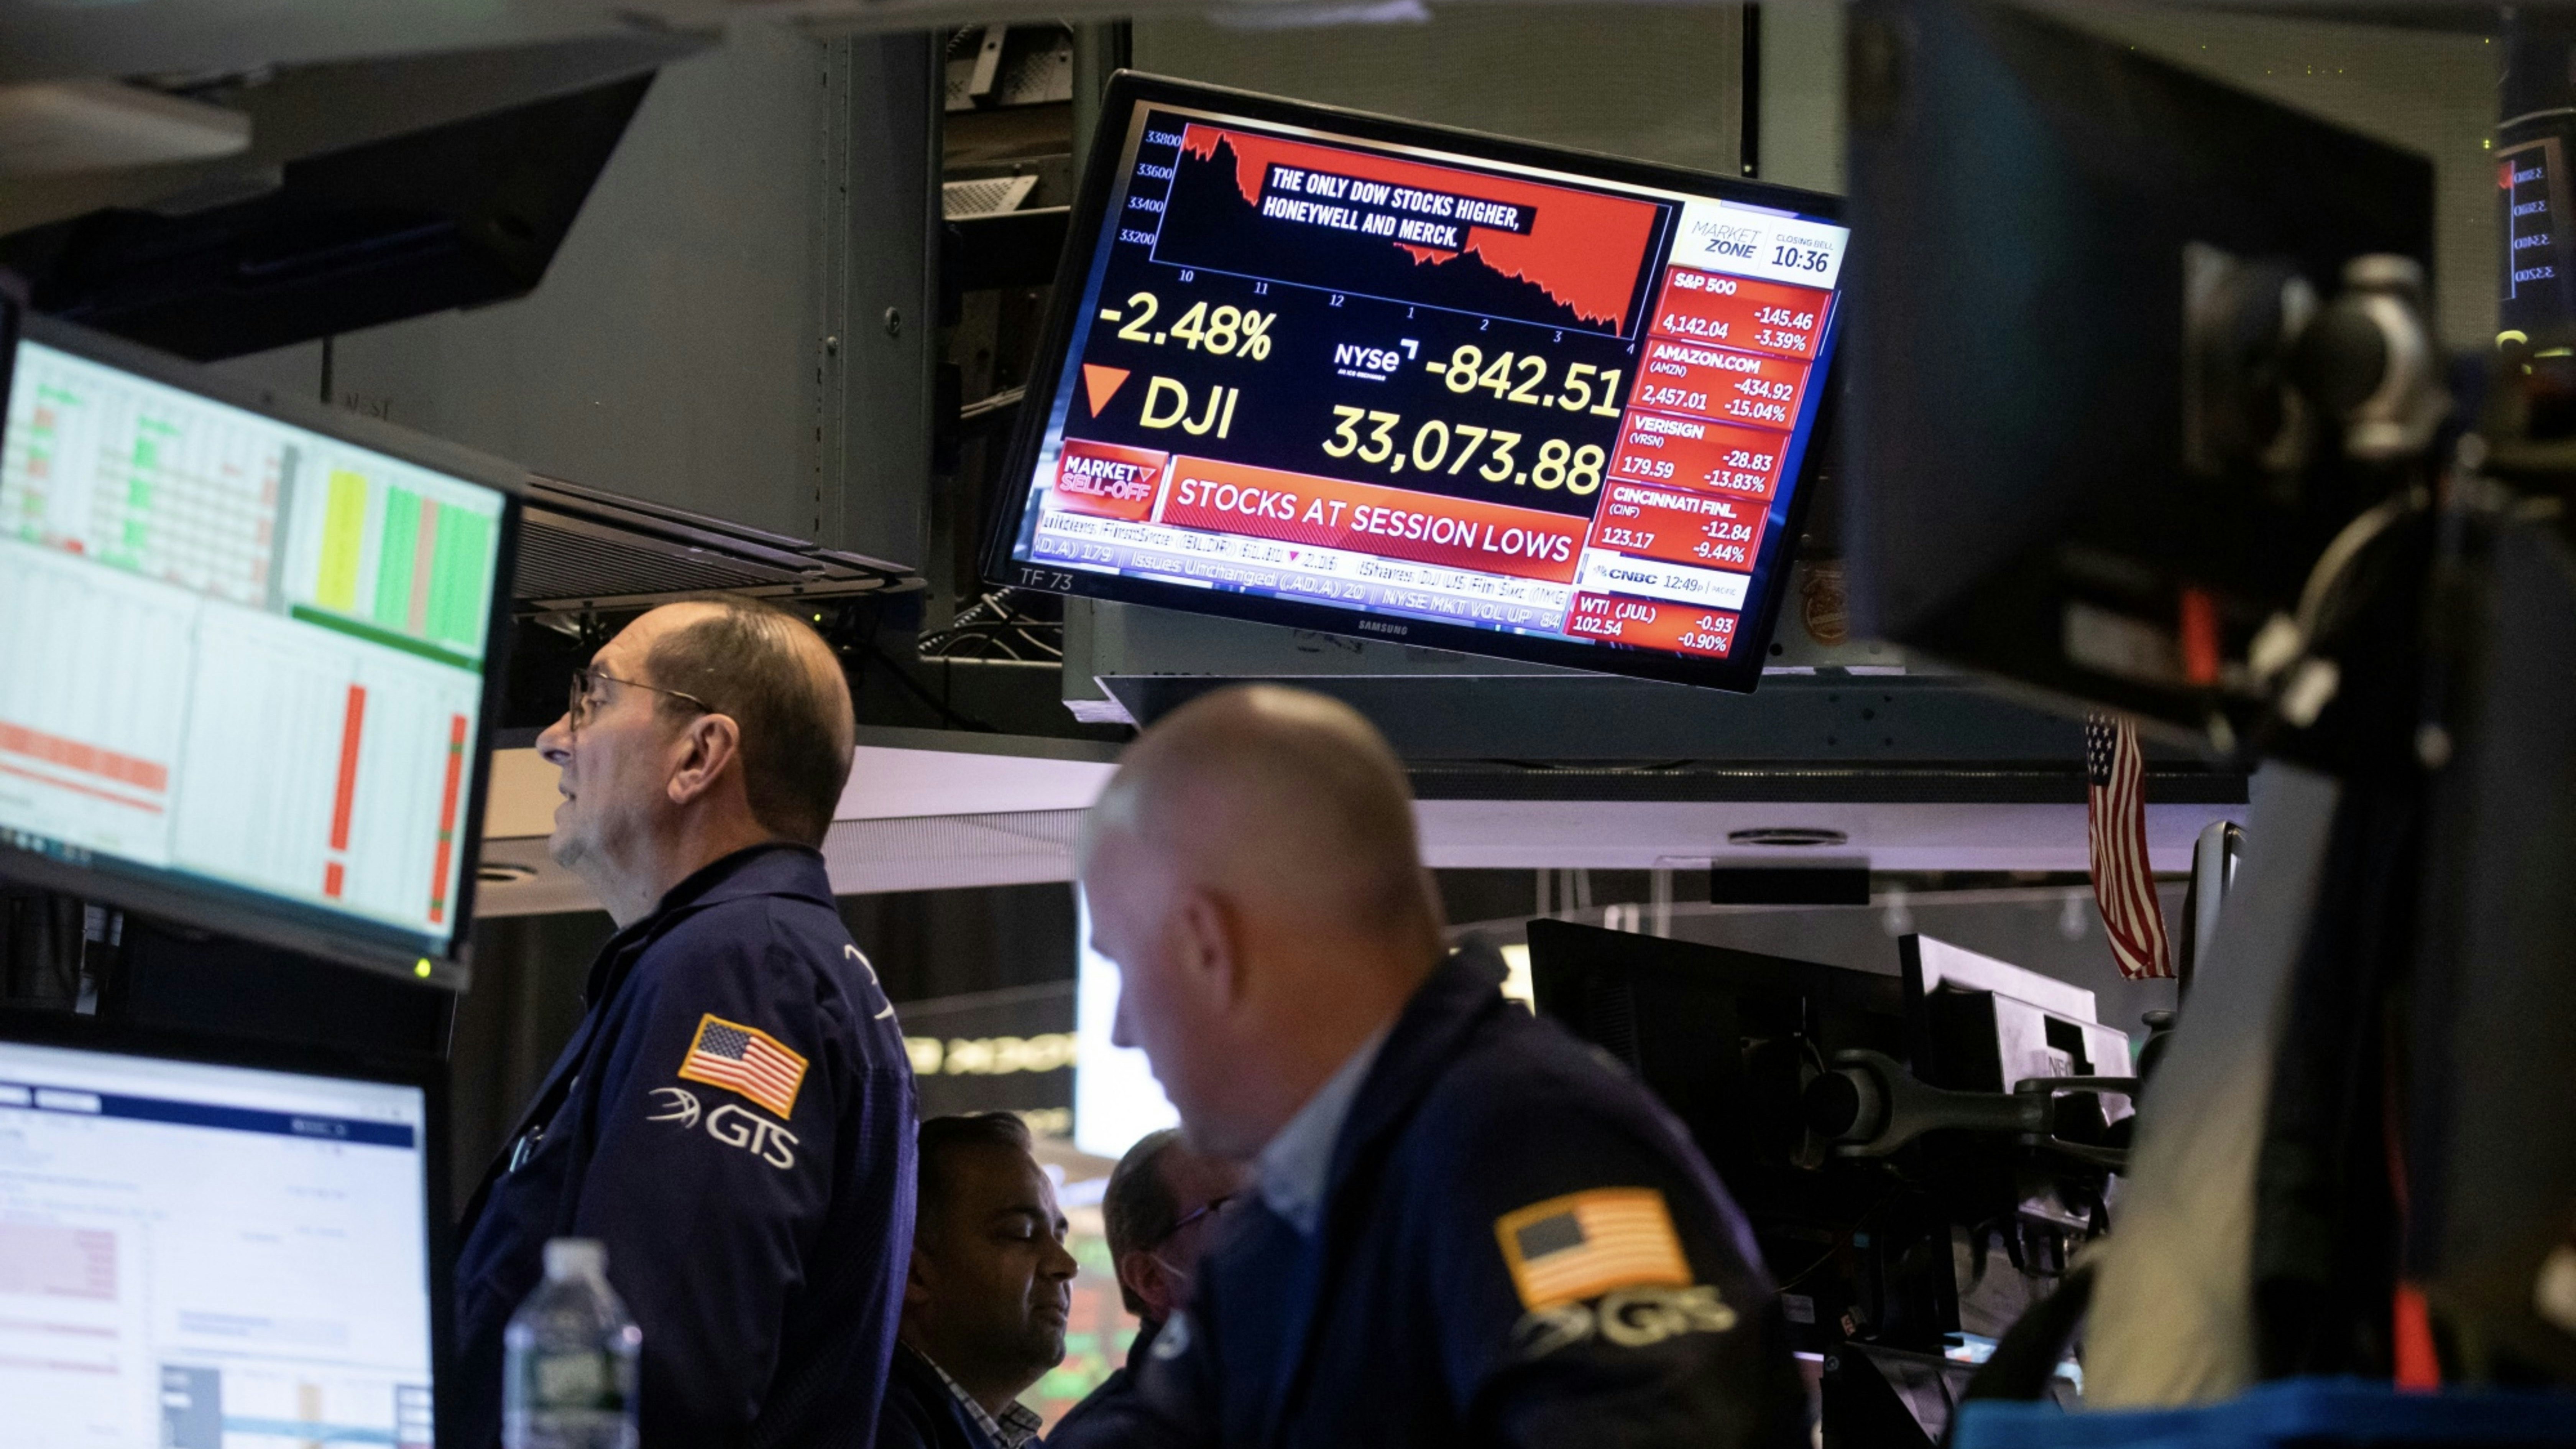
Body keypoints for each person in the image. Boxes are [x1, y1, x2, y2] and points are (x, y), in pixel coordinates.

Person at [1076, 684, 1810, 1448]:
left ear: (1206, 944)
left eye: (1123, 961)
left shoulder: (1531, 1145)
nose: (1125, 1029)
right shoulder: (1289, 1226)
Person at [451, 597, 916, 1449]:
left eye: (592, 698)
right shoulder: (752, 957)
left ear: (699, 754)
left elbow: (658, 1379)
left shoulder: (746, 968)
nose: (555, 735)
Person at [877, 1112, 1078, 1449]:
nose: (1066, 1264)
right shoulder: (865, 1430)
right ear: (913, 1274)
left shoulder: (1017, 1440)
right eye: (1022, 1233)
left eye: (1060, 1238)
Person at [1049, 1129, 1248, 1442]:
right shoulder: (1106, 1440)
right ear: (1149, 1278)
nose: (1272, 1233)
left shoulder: (1312, 1395)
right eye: (1235, 1211)